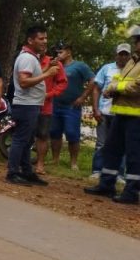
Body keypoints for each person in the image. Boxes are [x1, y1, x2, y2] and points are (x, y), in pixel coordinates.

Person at [85, 27, 140, 203]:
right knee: (111, 149)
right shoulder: (133, 61)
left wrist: (115, 88)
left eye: (137, 40)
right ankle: (106, 184)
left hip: (136, 116)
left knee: (134, 154)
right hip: (120, 112)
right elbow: (119, 80)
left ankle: (131, 192)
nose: (135, 43)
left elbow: (136, 87)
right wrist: (110, 88)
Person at [6, 26, 62, 186]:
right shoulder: (27, 58)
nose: (45, 41)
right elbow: (24, 82)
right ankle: (12, 172)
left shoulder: (31, 57)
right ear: (30, 40)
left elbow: (32, 76)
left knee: (27, 140)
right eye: (41, 38)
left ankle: (26, 171)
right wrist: (47, 74)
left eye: (45, 38)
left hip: (31, 104)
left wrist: (45, 68)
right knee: (20, 139)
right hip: (26, 105)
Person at [47, 42, 96, 172]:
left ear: (69, 52)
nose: (58, 54)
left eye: (61, 51)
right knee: (54, 132)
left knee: (72, 133)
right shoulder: (56, 65)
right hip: (55, 103)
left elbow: (92, 79)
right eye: (57, 52)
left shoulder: (79, 66)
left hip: (71, 105)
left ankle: (74, 162)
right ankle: (55, 159)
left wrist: (83, 97)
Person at [90, 43, 134, 179]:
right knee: (101, 143)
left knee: (121, 146)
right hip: (104, 111)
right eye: (120, 54)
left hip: (122, 113)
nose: (123, 57)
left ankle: (119, 174)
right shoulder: (107, 68)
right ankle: (97, 170)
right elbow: (96, 88)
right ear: (116, 54)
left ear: (129, 56)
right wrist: (96, 109)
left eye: (126, 54)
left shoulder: (132, 70)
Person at [32, 44, 68, 175]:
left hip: (45, 105)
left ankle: (40, 164)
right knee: (25, 133)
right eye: (40, 44)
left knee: (42, 135)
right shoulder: (29, 60)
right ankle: (20, 161)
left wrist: (50, 94)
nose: (42, 48)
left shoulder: (54, 63)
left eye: (45, 46)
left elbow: (63, 82)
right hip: (28, 103)